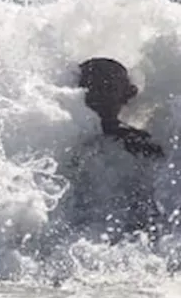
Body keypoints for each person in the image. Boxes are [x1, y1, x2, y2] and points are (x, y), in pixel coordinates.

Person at [58, 57, 166, 241]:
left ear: (126, 94)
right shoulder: (61, 134)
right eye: (93, 88)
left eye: (109, 88)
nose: (101, 96)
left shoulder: (137, 140)